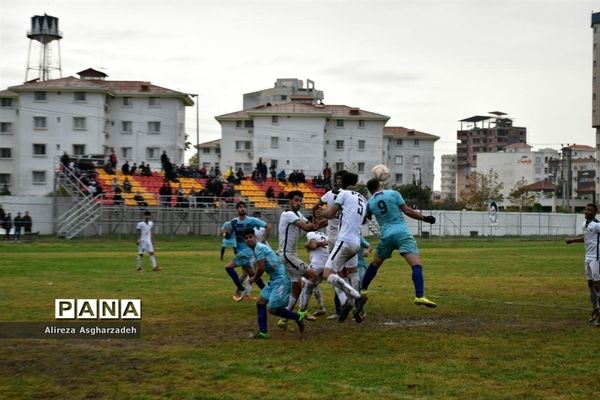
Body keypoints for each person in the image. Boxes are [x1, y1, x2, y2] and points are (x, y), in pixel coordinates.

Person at [356, 178, 437, 322]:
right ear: (381, 185)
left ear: (370, 190)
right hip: (401, 233)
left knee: (375, 264)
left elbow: (365, 218)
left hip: (386, 236)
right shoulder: (393, 193)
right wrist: (425, 218)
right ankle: (419, 296)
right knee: (416, 265)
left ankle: (363, 289)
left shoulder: (370, 202)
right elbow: (407, 211)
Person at [318, 172, 368, 323]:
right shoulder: (362, 198)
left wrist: (322, 213)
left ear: (342, 183)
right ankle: (356, 310)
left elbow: (331, 213)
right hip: (356, 241)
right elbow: (364, 219)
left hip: (344, 240)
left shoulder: (343, 193)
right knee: (352, 273)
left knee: (328, 273)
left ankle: (355, 298)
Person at [242, 228, 306, 339]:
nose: (249, 240)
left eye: (250, 237)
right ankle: (263, 332)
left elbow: (261, 269)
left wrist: (254, 278)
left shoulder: (259, 248)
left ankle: (298, 316)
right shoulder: (256, 249)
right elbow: (259, 267)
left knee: (273, 309)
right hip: (274, 279)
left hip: (281, 280)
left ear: (255, 237)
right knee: (261, 303)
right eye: (246, 238)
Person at [276, 190, 320, 328]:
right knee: (312, 275)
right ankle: (303, 311)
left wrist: (326, 219)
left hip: (292, 255)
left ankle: (284, 320)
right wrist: (318, 221)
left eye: (300, 200)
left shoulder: (298, 214)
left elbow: (311, 225)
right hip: (286, 255)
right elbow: (307, 227)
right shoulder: (287, 214)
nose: (298, 203)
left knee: (297, 288)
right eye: (296, 200)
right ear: (289, 201)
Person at [223, 201, 271, 301]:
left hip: (247, 251)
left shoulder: (251, 220)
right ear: (237, 210)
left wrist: (263, 240)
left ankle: (241, 288)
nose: (242, 209)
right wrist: (226, 234)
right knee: (254, 275)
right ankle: (268, 294)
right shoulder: (233, 222)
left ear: (246, 209)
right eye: (240, 207)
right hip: (240, 252)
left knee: (228, 267)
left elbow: (268, 226)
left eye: (244, 207)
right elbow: (229, 236)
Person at [566, 203, 600, 325]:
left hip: (596, 258)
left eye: (589, 210)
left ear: (595, 212)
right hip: (587, 258)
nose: (586, 212)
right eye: (586, 210)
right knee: (590, 285)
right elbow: (586, 238)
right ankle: (596, 309)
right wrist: (573, 240)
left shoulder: (597, 225)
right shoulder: (585, 224)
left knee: (597, 285)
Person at [298, 229, 329, 318]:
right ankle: (321, 307)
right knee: (315, 284)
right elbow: (310, 248)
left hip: (317, 264)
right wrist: (308, 245)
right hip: (326, 265)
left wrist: (308, 245)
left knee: (304, 283)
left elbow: (313, 246)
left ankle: (302, 309)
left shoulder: (310, 234)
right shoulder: (324, 235)